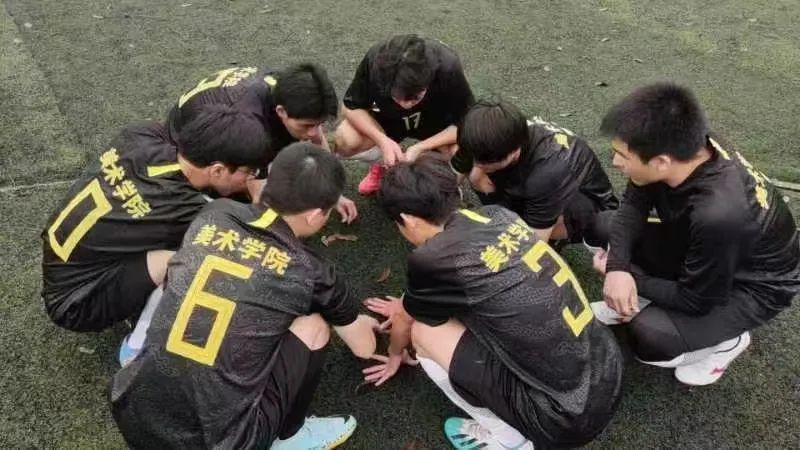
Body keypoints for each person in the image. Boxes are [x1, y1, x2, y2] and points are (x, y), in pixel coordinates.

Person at [111, 143, 380, 449]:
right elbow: (364, 347)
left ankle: (135, 346)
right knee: (314, 325)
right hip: (222, 443)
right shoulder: (312, 271)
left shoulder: (215, 213)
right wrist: (359, 321)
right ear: (316, 214)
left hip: (134, 413)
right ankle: (290, 436)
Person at [365, 157, 623, 449]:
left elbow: (407, 319)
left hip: (563, 417)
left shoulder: (432, 258)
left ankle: (507, 440)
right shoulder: (498, 215)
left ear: (408, 219)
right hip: (607, 370)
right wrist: (408, 301)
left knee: (424, 333)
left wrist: (395, 353)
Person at [592, 82, 800, 385]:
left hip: (752, 284)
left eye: (622, 155)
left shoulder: (719, 215)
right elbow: (634, 204)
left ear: (661, 163)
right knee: (605, 226)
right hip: (704, 245)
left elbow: (695, 300)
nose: (615, 162)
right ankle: (636, 295)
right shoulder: (686, 144)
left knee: (650, 336)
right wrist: (617, 269)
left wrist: (629, 278)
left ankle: (728, 342)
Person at [41, 107, 268, 332]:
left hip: (63, 267)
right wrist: (259, 201)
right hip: (77, 303)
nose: (250, 178)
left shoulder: (141, 133)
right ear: (217, 170)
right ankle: (141, 336)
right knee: (201, 255)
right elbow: (252, 238)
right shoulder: (182, 209)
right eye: (250, 172)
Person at [167, 62, 357, 222]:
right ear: (281, 111)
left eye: (318, 124)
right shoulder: (250, 126)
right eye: (307, 125)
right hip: (187, 146)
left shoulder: (291, 92)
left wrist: (332, 194)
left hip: (223, 120)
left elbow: (316, 139)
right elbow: (258, 188)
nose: (314, 132)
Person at [456, 99, 618, 245]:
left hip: (585, 205)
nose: (477, 164)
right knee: (476, 176)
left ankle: (554, 236)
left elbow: (535, 241)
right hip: (530, 182)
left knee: (526, 239)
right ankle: (505, 219)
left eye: (486, 164)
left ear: (514, 151)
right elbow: (453, 176)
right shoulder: (480, 136)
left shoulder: (548, 172)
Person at [334, 34, 474, 195]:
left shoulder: (447, 66)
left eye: (415, 97)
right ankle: (383, 164)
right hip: (389, 119)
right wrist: (382, 140)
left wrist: (421, 147)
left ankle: (443, 188)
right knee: (346, 138)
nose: (406, 105)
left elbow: (469, 122)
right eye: (398, 97)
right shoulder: (375, 61)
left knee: (467, 148)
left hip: (434, 122)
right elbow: (350, 106)